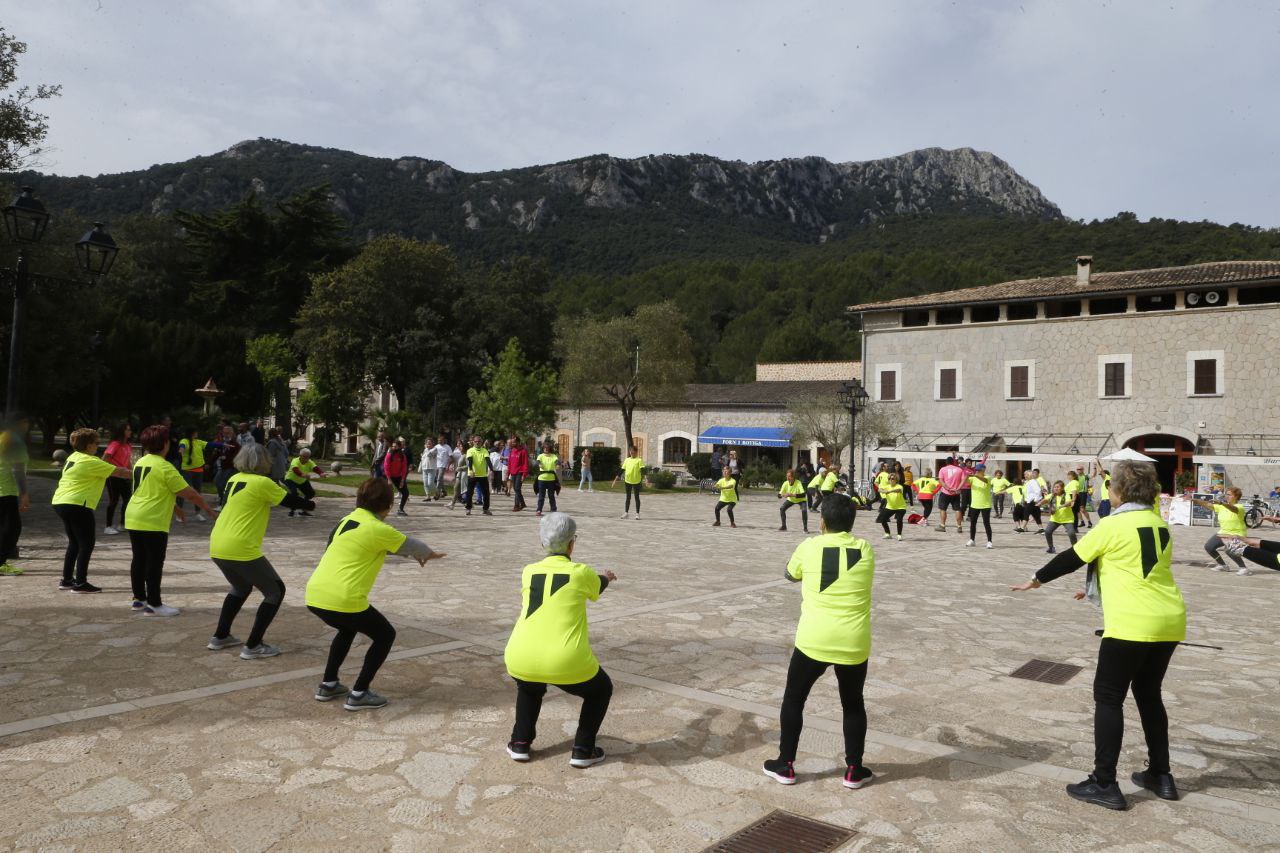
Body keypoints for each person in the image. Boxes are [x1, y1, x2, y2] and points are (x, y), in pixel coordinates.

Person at [1011, 460, 1185, 811]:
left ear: (1117, 490)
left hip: (1131, 624)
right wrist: (1096, 588)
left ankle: (1104, 782)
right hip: (1169, 619)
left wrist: (1036, 578)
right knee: (1149, 696)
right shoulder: (1158, 523)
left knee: (1109, 699)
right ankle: (1161, 775)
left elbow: (1072, 557)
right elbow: (1137, 568)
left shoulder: (1112, 524)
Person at [763, 493, 875, 789]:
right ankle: (854, 769)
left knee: (794, 699)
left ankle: (785, 764)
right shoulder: (865, 549)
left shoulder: (809, 546)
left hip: (814, 638)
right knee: (852, 704)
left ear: (822, 521)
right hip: (853, 639)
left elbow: (789, 574)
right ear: (852, 521)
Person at [305, 478, 443, 710]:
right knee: (385, 635)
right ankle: (359, 693)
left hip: (315, 594)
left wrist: (407, 553)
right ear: (387, 506)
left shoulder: (346, 520)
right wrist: (430, 555)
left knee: (347, 628)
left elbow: (372, 546)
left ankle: (328, 684)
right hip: (344, 597)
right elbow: (413, 546)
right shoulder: (378, 528)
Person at [503, 513, 616, 767]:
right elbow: (597, 585)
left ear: (542, 543)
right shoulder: (580, 572)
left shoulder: (528, 571)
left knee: (530, 686)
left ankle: (520, 743)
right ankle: (582, 749)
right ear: (571, 544)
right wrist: (607, 577)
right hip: (566, 659)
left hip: (520, 654)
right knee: (601, 690)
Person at [207, 443, 316, 659]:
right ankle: (253, 646)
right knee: (275, 591)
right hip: (240, 546)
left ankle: (220, 636)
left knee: (240, 588)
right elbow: (290, 501)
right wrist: (310, 504)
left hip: (218, 543)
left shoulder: (233, 479)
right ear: (263, 461)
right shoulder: (262, 482)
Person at [125, 425, 218, 616]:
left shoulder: (141, 461)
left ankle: (139, 599)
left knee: (139, 559)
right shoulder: (165, 466)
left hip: (134, 515)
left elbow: (149, 487)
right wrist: (207, 508)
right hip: (152, 518)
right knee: (154, 562)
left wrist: (175, 507)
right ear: (165, 444)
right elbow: (189, 492)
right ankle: (154, 604)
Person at [52, 428, 131, 592]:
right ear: (88, 445)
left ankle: (67, 580)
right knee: (86, 544)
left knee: (74, 543)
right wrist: (144, 473)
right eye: (96, 443)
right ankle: (80, 583)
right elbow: (120, 472)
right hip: (78, 504)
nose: (98, 446)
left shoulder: (73, 457)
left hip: (61, 502)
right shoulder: (91, 461)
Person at [1185, 489, 1250, 575]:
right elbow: (1208, 505)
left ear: (1236, 496)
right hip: (1223, 532)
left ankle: (1243, 568)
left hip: (1236, 534)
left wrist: (1221, 503)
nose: (1227, 496)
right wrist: (1194, 500)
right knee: (1209, 547)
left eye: (1230, 495)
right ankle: (1222, 565)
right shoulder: (1222, 507)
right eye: (1226, 494)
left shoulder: (1239, 507)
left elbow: (1233, 508)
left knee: (1229, 550)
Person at [0, 415, 31, 576]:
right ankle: (1, 562)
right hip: (6, 490)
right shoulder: (14, 441)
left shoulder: (3, 438)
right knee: (12, 527)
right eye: (25, 422)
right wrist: (24, 493)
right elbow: (17, 470)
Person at [102, 422, 133, 535]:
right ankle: (108, 526)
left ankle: (122, 524)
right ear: (122, 431)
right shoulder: (115, 444)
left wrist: (132, 473)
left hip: (124, 477)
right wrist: (106, 471)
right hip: (113, 477)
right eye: (128, 430)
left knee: (128, 500)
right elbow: (105, 458)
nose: (130, 432)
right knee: (113, 501)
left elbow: (128, 461)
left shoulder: (128, 445)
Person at [176, 427, 210, 522]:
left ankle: (198, 513)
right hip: (187, 471)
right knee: (183, 491)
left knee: (197, 492)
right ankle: (179, 514)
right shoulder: (185, 441)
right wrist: (181, 450)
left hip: (199, 471)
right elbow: (182, 445)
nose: (197, 433)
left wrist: (222, 444)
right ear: (192, 433)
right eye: (196, 432)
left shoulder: (198, 442)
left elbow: (210, 444)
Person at [284, 448, 327, 516]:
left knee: (311, 493)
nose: (305, 459)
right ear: (300, 455)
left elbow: (315, 468)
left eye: (307, 457)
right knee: (294, 493)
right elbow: (295, 470)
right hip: (290, 480)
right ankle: (292, 510)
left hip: (302, 481)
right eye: (304, 457)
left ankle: (304, 509)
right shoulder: (295, 460)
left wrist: (321, 473)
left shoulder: (309, 462)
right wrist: (303, 475)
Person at [1041, 480, 1078, 554]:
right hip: (1055, 519)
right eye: (1055, 487)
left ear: (1062, 488)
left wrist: (1061, 506)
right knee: (1047, 532)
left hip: (1067, 519)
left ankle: (1076, 549)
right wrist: (1039, 503)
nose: (1056, 488)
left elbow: (1068, 502)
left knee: (1071, 533)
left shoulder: (1066, 495)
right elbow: (1045, 500)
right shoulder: (1052, 495)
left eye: (1058, 487)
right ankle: (1051, 548)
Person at [463, 435, 494, 516]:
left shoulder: (484, 451)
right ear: (473, 442)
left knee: (486, 493)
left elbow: (488, 460)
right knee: (469, 492)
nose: (477, 443)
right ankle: (468, 508)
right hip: (472, 475)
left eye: (479, 441)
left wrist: (491, 470)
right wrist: (471, 470)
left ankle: (485, 509)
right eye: (476, 441)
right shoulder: (470, 450)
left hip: (483, 475)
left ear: (481, 442)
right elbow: (470, 461)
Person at [965, 463, 994, 549]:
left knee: (986, 523)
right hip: (974, 504)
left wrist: (975, 475)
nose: (977, 471)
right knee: (973, 523)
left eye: (978, 470)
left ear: (983, 470)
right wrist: (966, 475)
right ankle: (972, 540)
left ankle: (989, 541)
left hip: (986, 505)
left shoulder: (988, 477)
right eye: (976, 470)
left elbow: (984, 480)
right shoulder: (973, 478)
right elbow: (966, 482)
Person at [211, 424, 241, 506]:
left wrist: (226, 457)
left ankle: (223, 503)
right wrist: (208, 463)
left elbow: (236, 456)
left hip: (230, 467)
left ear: (232, 433)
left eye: (228, 433)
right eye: (224, 433)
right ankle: (223, 500)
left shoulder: (235, 444)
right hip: (222, 467)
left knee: (223, 483)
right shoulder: (222, 443)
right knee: (217, 482)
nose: (225, 435)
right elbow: (216, 453)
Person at [935, 457, 964, 534]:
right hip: (956, 493)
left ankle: (942, 525)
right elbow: (963, 480)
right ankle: (959, 526)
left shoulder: (943, 469)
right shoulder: (959, 470)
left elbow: (941, 480)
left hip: (945, 492)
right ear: (953, 462)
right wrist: (958, 488)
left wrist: (948, 488)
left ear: (946, 462)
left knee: (943, 509)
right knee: (957, 509)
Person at [383, 438, 411, 516]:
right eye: (393, 446)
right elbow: (386, 467)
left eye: (395, 446)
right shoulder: (389, 455)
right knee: (386, 494)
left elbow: (404, 468)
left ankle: (400, 509)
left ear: (399, 447)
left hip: (398, 477)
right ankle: (382, 509)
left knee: (405, 493)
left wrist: (402, 480)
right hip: (388, 476)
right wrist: (389, 479)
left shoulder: (402, 456)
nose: (393, 448)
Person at [875, 472, 907, 540]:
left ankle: (899, 535)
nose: (890, 480)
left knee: (899, 519)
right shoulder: (887, 486)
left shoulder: (899, 486)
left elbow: (898, 490)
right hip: (890, 507)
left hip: (901, 507)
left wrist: (889, 491)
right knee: (882, 519)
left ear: (896, 479)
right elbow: (879, 489)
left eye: (892, 479)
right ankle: (888, 534)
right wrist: (883, 491)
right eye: (889, 479)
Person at [616, 445, 644, 519]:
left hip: (636, 481)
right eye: (631, 452)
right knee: (628, 497)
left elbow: (643, 470)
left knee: (636, 497)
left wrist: (646, 479)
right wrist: (618, 475)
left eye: (633, 452)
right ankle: (626, 513)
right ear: (629, 452)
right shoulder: (627, 460)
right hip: (627, 480)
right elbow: (622, 469)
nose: (632, 453)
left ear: (636, 452)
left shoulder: (639, 460)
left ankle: (637, 514)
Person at [535, 441, 559, 517]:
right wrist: (539, 464)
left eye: (547, 448)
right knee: (541, 495)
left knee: (551, 495)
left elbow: (557, 461)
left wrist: (558, 464)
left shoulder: (553, 456)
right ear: (543, 448)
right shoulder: (540, 456)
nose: (546, 449)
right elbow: (538, 461)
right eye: (544, 448)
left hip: (551, 479)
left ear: (550, 449)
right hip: (542, 478)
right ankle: (539, 509)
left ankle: (553, 509)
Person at [508, 437, 530, 512]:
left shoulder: (523, 451)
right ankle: (523, 503)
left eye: (514, 442)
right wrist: (509, 472)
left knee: (517, 488)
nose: (512, 443)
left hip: (520, 472)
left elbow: (525, 463)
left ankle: (516, 505)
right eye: (512, 442)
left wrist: (524, 474)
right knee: (516, 489)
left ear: (518, 442)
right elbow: (510, 462)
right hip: (513, 472)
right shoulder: (512, 451)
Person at [1023, 470, 1046, 534]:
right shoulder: (1027, 482)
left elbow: (1038, 491)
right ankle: (1041, 529)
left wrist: (1036, 500)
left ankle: (1022, 528)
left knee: (1026, 513)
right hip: (1028, 500)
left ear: (1030, 475)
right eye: (1024, 474)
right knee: (1036, 515)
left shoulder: (1033, 481)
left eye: (1027, 474)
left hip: (1032, 501)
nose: (1025, 476)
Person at [419, 437, 437, 501]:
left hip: (432, 468)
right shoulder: (425, 450)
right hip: (425, 468)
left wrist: (426, 449)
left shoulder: (435, 449)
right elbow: (423, 458)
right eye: (427, 443)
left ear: (433, 444)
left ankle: (437, 492)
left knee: (430, 483)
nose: (428, 445)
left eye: (429, 443)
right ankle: (428, 496)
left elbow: (429, 455)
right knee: (425, 483)